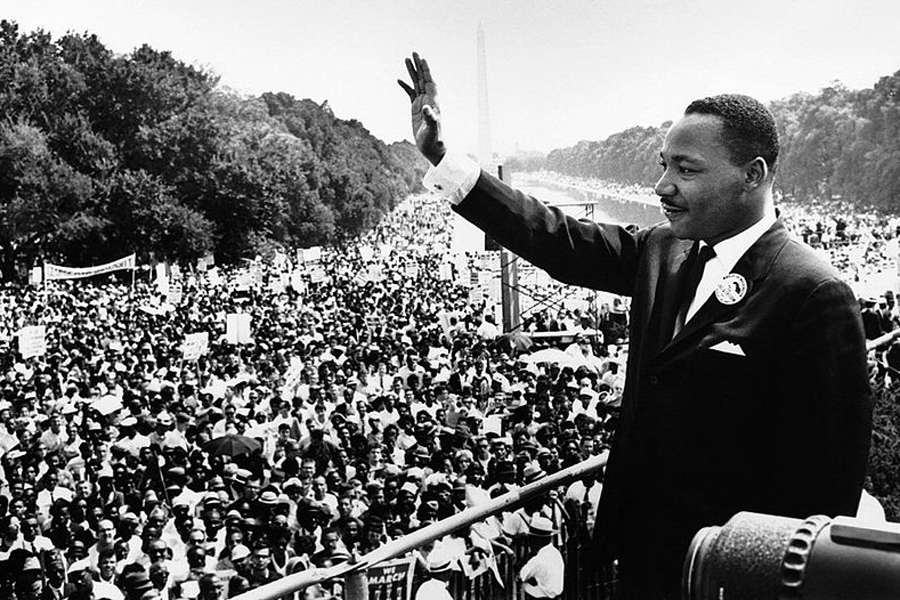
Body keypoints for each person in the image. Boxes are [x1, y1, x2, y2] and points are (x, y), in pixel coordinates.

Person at [399, 52, 872, 598]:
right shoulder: (662, 249)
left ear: (754, 175)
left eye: (686, 169)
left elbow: (824, 489)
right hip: (640, 559)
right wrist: (441, 156)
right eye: (663, 164)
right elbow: (554, 237)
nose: (662, 185)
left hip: (728, 576)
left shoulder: (813, 291)